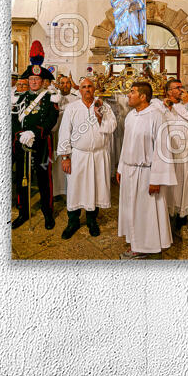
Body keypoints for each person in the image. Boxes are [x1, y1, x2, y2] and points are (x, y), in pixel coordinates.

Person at [116, 82, 178, 259]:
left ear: (143, 96)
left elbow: (162, 150)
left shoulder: (156, 116)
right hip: (129, 171)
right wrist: (121, 167)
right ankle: (135, 244)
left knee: (146, 213)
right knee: (131, 210)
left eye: (132, 92)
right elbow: (125, 145)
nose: (128, 95)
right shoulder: (130, 116)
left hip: (146, 173)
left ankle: (147, 246)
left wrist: (156, 179)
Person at [56, 78, 117, 240]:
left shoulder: (104, 107)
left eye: (90, 86)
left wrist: (99, 118)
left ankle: (92, 221)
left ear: (94, 89)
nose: (87, 89)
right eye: (84, 87)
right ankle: (73, 221)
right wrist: (65, 157)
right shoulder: (72, 108)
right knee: (75, 188)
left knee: (95, 188)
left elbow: (112, 126)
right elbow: (64, 132)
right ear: (80, 90)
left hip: (99, 155)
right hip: (78, 155)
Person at [12, 56, 60, 231]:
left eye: (36, 79)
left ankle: (47, 213)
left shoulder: (49, 98)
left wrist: (35, 132)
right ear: (28, 80)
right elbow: (13, 119)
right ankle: (23, 212)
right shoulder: (19, 97)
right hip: (22, 143)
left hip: (41, 143)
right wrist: (20, 134)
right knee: (22, 179)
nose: (33, 82)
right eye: (31, 79)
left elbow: (52, 119)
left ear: (42, 81)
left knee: (43, 179)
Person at [159, 79, 188, 236]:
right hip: (168, 157)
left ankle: (182, 223)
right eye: (177, 88)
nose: (181, 90)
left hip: (185, 156)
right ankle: (168, 221)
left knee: (184, 190)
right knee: (169, 190)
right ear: (169, 91)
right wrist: (166, 106)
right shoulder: (162, 106)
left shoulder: (187, 106)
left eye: (181, 87)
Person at [51, 75, 80, 202]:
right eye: (62, 83)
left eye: (68, 83)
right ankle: (57, 190)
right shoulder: (53, 98)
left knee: (70, 161)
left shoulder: (76, 99)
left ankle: (70, 190)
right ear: (58, 84)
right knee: (55, 162)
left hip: (71, 135)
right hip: (56, 134)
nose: (65, 85)